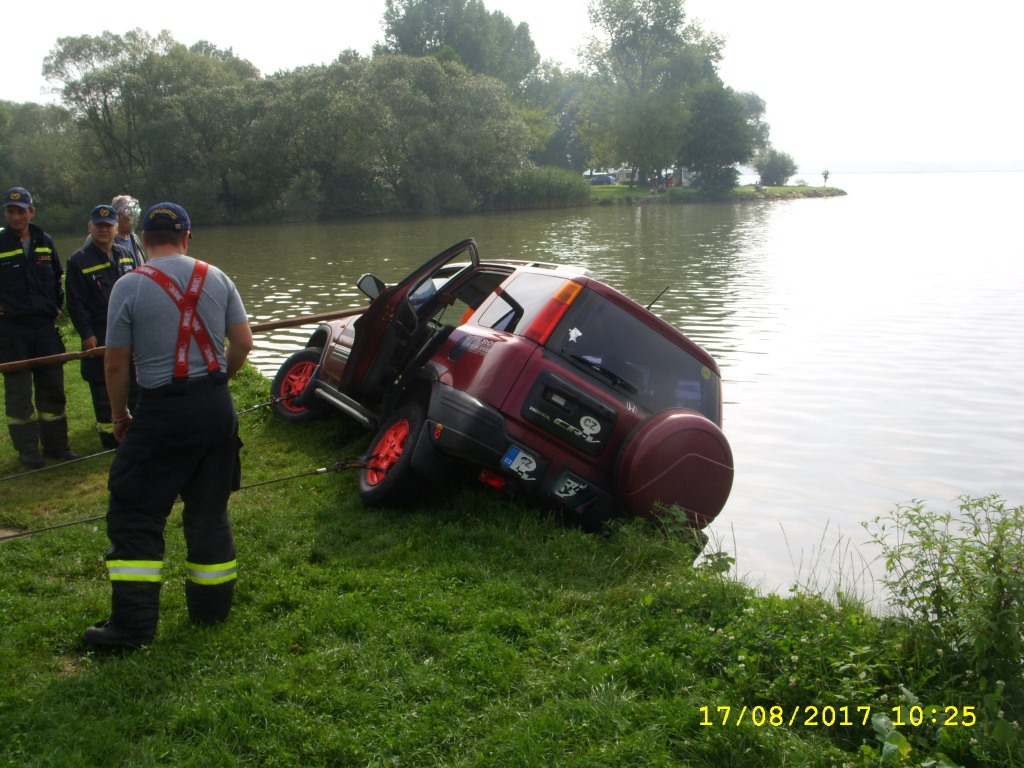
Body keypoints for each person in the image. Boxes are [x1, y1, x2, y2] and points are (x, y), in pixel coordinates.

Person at [83, 202, 254, 649]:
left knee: (135, 512)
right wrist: (220, 381)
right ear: (187, 236)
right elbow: (243, 342)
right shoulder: (217, 277)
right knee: (209, 510)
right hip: (216, 409)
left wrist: (120, 415)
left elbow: (116, 364)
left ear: (141, 238)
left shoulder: (128, 285)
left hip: (162, 411)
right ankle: (211, 612)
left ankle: (133, 628)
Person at [0, 186, 78, 467]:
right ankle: (28, 452)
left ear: (31, 212)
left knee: (53, 388)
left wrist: (56, 305)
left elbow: (57, 277)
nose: (16, 216)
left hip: (44, 328)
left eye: (21, 211)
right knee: (19, 395)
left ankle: (57, 446)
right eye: (11, 211)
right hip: (12, 331)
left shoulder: (45, 240)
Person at [65, 204, 140, 449]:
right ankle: (110, 438)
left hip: (129, 330)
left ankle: (136, 430)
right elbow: (75, 303)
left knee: (133, 382)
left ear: (117, 228)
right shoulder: (79, 260)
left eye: (109, 225)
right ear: (90, 227)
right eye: (99, 225)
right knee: (102, 385)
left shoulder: (126, 254)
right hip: (99, 332)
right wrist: (86, 335)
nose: (104, 230)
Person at [111, 195, 146, 268]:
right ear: (117, 216)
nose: (132, 220)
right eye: (129, 216)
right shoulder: (105, 240)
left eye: (134, 217)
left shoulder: (135, 238)